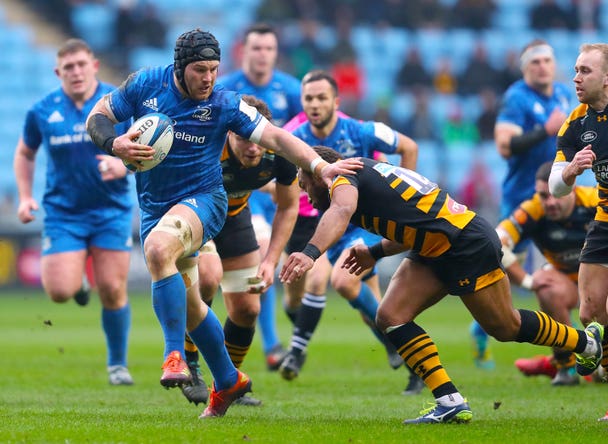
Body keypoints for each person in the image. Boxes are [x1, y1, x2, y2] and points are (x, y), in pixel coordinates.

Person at [85, 28, 361, 419]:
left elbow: (279, 139)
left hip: (206, 201)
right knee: (193, 305)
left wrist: (319, 165)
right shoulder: (145, 84)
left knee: (159, 250)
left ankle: (174, 356)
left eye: (215, 69)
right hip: (154, 207)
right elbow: (98, 115)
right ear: (180, 67)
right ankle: (229, 379)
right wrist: (113, 143)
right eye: (201, 70)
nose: (209, 78)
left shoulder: (225, 104)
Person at [282, 145, 605, 424]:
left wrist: (311, 253)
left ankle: (585, 342)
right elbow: (412, 222)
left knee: (506, 327)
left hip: (464, 244)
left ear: (318, 173)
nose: (307, 197)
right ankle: (449, 402)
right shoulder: (362, 174)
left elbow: (341, 208)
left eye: (304, 185)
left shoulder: (344, 177)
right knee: (390, 316)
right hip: (437, 245)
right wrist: (373, 251)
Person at [279, 70, 421, 396]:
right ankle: (411, 362)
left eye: (321, 98)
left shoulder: (360, 130)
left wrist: (405, 200)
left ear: (335, 102)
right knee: (374, 311)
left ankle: (398, 350)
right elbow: (280, 184)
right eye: (309, 99)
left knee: (341, 281)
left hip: (365, 222)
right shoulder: (295, 139)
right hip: (329, 224)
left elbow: (409, 146)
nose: (315, 105)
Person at [13, 38, 135, 386]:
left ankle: (117, 364)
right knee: (60, 292)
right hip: (63, 213)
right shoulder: (42, 110)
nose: (76, 72)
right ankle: (79, 281)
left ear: (94, 65)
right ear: (58, 72)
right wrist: (24, 197)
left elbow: (146, 147)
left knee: (112, 288)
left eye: (82, 64)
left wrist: (122, 166)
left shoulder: (118, 103)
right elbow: (24, 153)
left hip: (111, 209)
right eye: (69, 67)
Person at [180, 96, 299, 407]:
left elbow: (288, 206)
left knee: (248, 310)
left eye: (258, 138)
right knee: (207, 277)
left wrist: (271, 259)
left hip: (235, 218)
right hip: (198, 215)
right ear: (229, 133)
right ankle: (190, 364)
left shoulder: (280, 155)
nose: (253, 147)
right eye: (244, 138)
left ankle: (227, 382)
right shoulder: (207, 148)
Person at [549, 42, 608, 421]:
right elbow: (556, 185)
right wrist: (569, 172)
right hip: (607, 224)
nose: (575, 77)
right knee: (592, 313)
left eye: (585, 70)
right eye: (575, 69)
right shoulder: (575, 124)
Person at [471, 39, 573, 367]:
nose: (542, 66)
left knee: (566, 266)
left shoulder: (561, 93)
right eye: (535, 62)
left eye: (547, 60)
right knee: (498, 264)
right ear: (525, 68)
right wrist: (545, 129)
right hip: (522, 199)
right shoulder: (517, 98)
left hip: (556, 199)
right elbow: (504, 146)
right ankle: (481, 328)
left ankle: (572, 346)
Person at [216, 22, 303, 375]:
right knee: (231, 274)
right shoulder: (224, 89)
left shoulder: (292, 90)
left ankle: (268, 343)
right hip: (231, 194)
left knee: (262, 272)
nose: (262, 54)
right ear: (244, 51)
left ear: (275, 53)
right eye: (256, 48)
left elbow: (298, 138)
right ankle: (269, 344)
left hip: (272, 190)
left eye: (269, 48)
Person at [498, 161, 598, 385]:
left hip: (605, 283)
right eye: (544, 196)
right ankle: (566, 365)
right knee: (544, 284)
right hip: (568, 284)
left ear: (571, 188)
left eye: (556, 194)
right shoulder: (532, 209)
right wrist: (525, 281)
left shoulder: (594, 200)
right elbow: (496, 242)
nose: (550, 202)